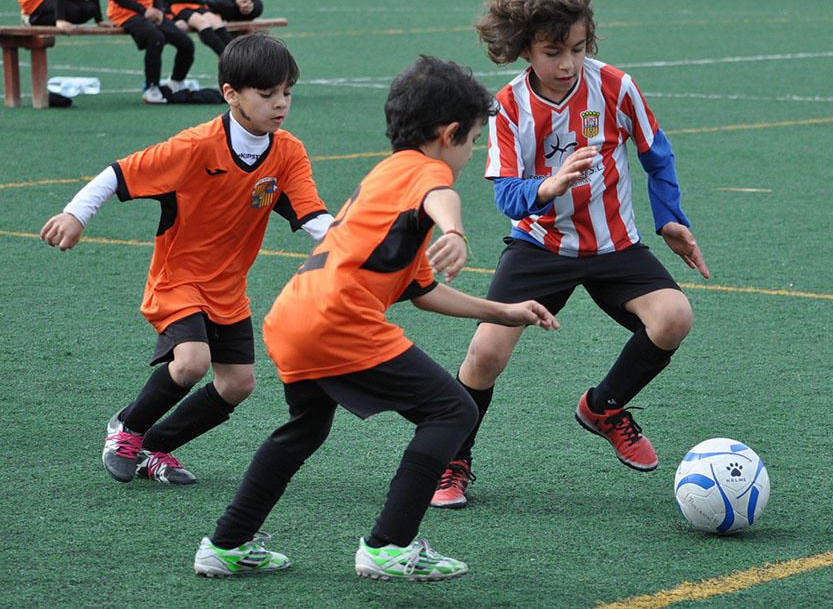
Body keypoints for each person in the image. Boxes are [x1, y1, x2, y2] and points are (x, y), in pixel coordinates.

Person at [192, 55, 559, 582]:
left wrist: (503, 310)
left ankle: (226, 545)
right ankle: (389, 545)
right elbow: (442, 194)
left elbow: (421, 290)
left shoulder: (387, 175)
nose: (469, 152)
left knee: (304, 429)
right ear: (448, 133)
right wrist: (453, 232)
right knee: (454, 411)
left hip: (294, 316)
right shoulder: (425, 171)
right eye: (473, 139)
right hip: (339, 321)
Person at [430, 0, 711, 510]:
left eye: (578, 49)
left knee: (674, 317)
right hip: (539, 246)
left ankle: (603, 407)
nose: (567, 64)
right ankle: (453, 459)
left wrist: (670, 217)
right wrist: (550, 185)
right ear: (523, 50)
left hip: (615, 247)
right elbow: (509, 198)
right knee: (485, 352)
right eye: (553, 51)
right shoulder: (509, 106)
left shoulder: (615, 86)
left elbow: (657, 153)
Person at [39, 34, 333, 487]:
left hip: (229, 288)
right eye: (268, 93)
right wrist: (76, 214)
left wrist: (356, 244)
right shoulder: (195, 147)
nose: (281, 104)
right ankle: (127, 428)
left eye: (287, 92)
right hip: (178, 280)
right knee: (192, 362)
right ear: (231, 94)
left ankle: (156, 447)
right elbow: (118, 174)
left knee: (238, 384)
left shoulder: (288, 152)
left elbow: (312, 214)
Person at [105, 0, 197, 103]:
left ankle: (176, 81)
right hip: (124, 14)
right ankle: (151, 88)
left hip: (149, 13)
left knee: (186, 43)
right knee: (156, 38)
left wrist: (159, 10)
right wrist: (144, 11)